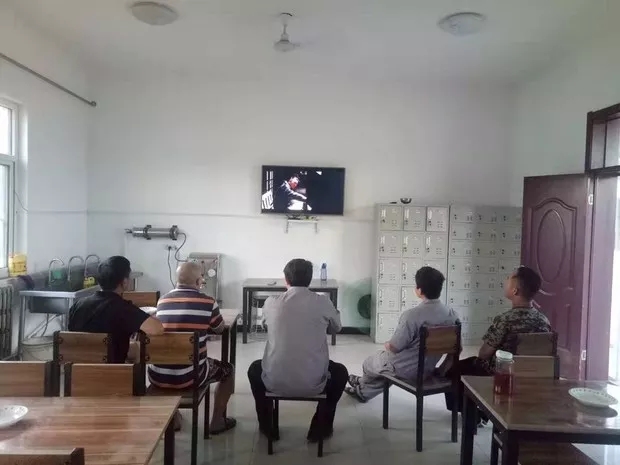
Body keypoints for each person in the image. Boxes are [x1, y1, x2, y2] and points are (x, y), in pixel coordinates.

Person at [247, 258, 347, 442]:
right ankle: (320, 428)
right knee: (340, 372)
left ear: (286, 279)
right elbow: (337, 327)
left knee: (254, 369)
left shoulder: (271, 302)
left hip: (274, 380)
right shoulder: (323, 302)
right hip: (314, 382)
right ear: (310, 279)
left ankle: (268, 427)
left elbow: (265, 325)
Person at [444, 266, 551, 418]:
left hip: (502, 374)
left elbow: (484, 354)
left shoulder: (504, 320)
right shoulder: (544, 321)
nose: (505, 281)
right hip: (531, 374)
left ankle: (473, 416)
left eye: (508, 279)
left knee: (454, 369)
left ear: (515, 291)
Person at [345, 266, 459, 403]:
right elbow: (457, 349)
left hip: (404, 369)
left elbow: (395, 347)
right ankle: (362, 389)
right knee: (384, 367)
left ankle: (362, 386)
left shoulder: (412, 315)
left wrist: (387, 344)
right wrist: (441, 370)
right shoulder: (452, 315)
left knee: (370, 363)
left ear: (419, 290)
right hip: (427, 370)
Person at [148, 262, 236, 435]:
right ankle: (217, 421)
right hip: (191, 376)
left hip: (157, 375)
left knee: (175, 358)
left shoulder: (162, 301)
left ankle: (174, 419)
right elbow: (219, 329)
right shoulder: (208, 302)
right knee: (228, 370)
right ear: (198, 281)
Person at [68, 256, 164, 363]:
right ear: (124, 282)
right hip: (112, 371)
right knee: (140, 349)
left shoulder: (77, 305)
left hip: (78, 370)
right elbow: (157, 329)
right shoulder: (123, 309)